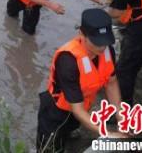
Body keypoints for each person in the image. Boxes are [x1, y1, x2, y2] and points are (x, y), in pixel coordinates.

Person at [37, 9, 127, 153]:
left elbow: (111, 82)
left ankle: (68, 134)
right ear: (81, 34)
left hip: (83, 105)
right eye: (97, 42)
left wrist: (120, 113)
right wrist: (107, 133)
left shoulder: (107, 50)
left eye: (105, 42)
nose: (102, 47)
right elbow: (76, 109)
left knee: (71, 128)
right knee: (49, 147)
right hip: (57, 112)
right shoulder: (68, 60)